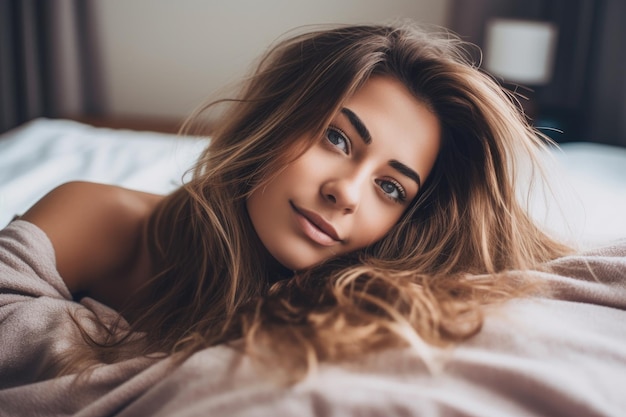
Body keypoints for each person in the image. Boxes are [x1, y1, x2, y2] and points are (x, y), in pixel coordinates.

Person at [16, 22, 571, 379]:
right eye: (336, 139)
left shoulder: (360, 307)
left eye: (390, 188)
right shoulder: (102, 216)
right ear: (274, 119)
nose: (346, 193)